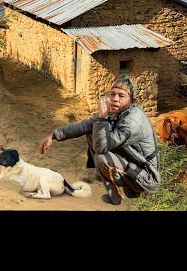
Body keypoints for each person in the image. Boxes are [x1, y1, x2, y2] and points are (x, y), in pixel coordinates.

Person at [38, 75, 160, 205]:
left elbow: (101, 148)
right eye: (112, 94)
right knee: (93, 132)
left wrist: (102, 117)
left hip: (146, 176)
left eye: (121, 95)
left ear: (133, 101)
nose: (115, 99)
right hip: (132, 165)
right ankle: (112, 182)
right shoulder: (118, 112)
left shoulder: (133, 121)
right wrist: (54, 135)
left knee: (101, 157)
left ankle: (120, 193)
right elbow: (84, 126)